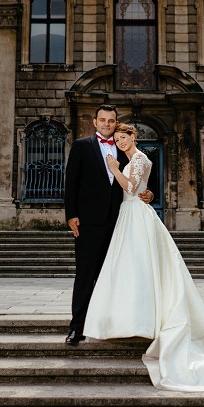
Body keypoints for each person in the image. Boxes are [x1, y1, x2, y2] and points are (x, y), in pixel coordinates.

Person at [83, 122, 204, 391]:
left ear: (134, 137)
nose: (120, 142)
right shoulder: (132, 159)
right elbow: (141, 189)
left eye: (124, 137)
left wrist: (116, 170)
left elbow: (131, 189)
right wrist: (136, 182)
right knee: (130, 269)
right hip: (129, 215)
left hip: (136, 216)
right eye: (117, 139)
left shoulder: (139, 158)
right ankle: (129, 320)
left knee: (141, 266)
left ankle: (145, 321)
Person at [63, 105, 152, 346]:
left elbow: (136, 180)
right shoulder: (82, 146)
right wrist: (71, 215)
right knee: (85, 275)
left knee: (114, 276)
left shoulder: (124, 149)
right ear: (94, 122)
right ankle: (77, 328)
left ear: (116, 123)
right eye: (102, 120)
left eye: (111, 121)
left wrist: (148, 194)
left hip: (120, 222)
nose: (106, 124)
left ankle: (110, 325)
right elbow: (71, 182)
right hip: (88, 222)